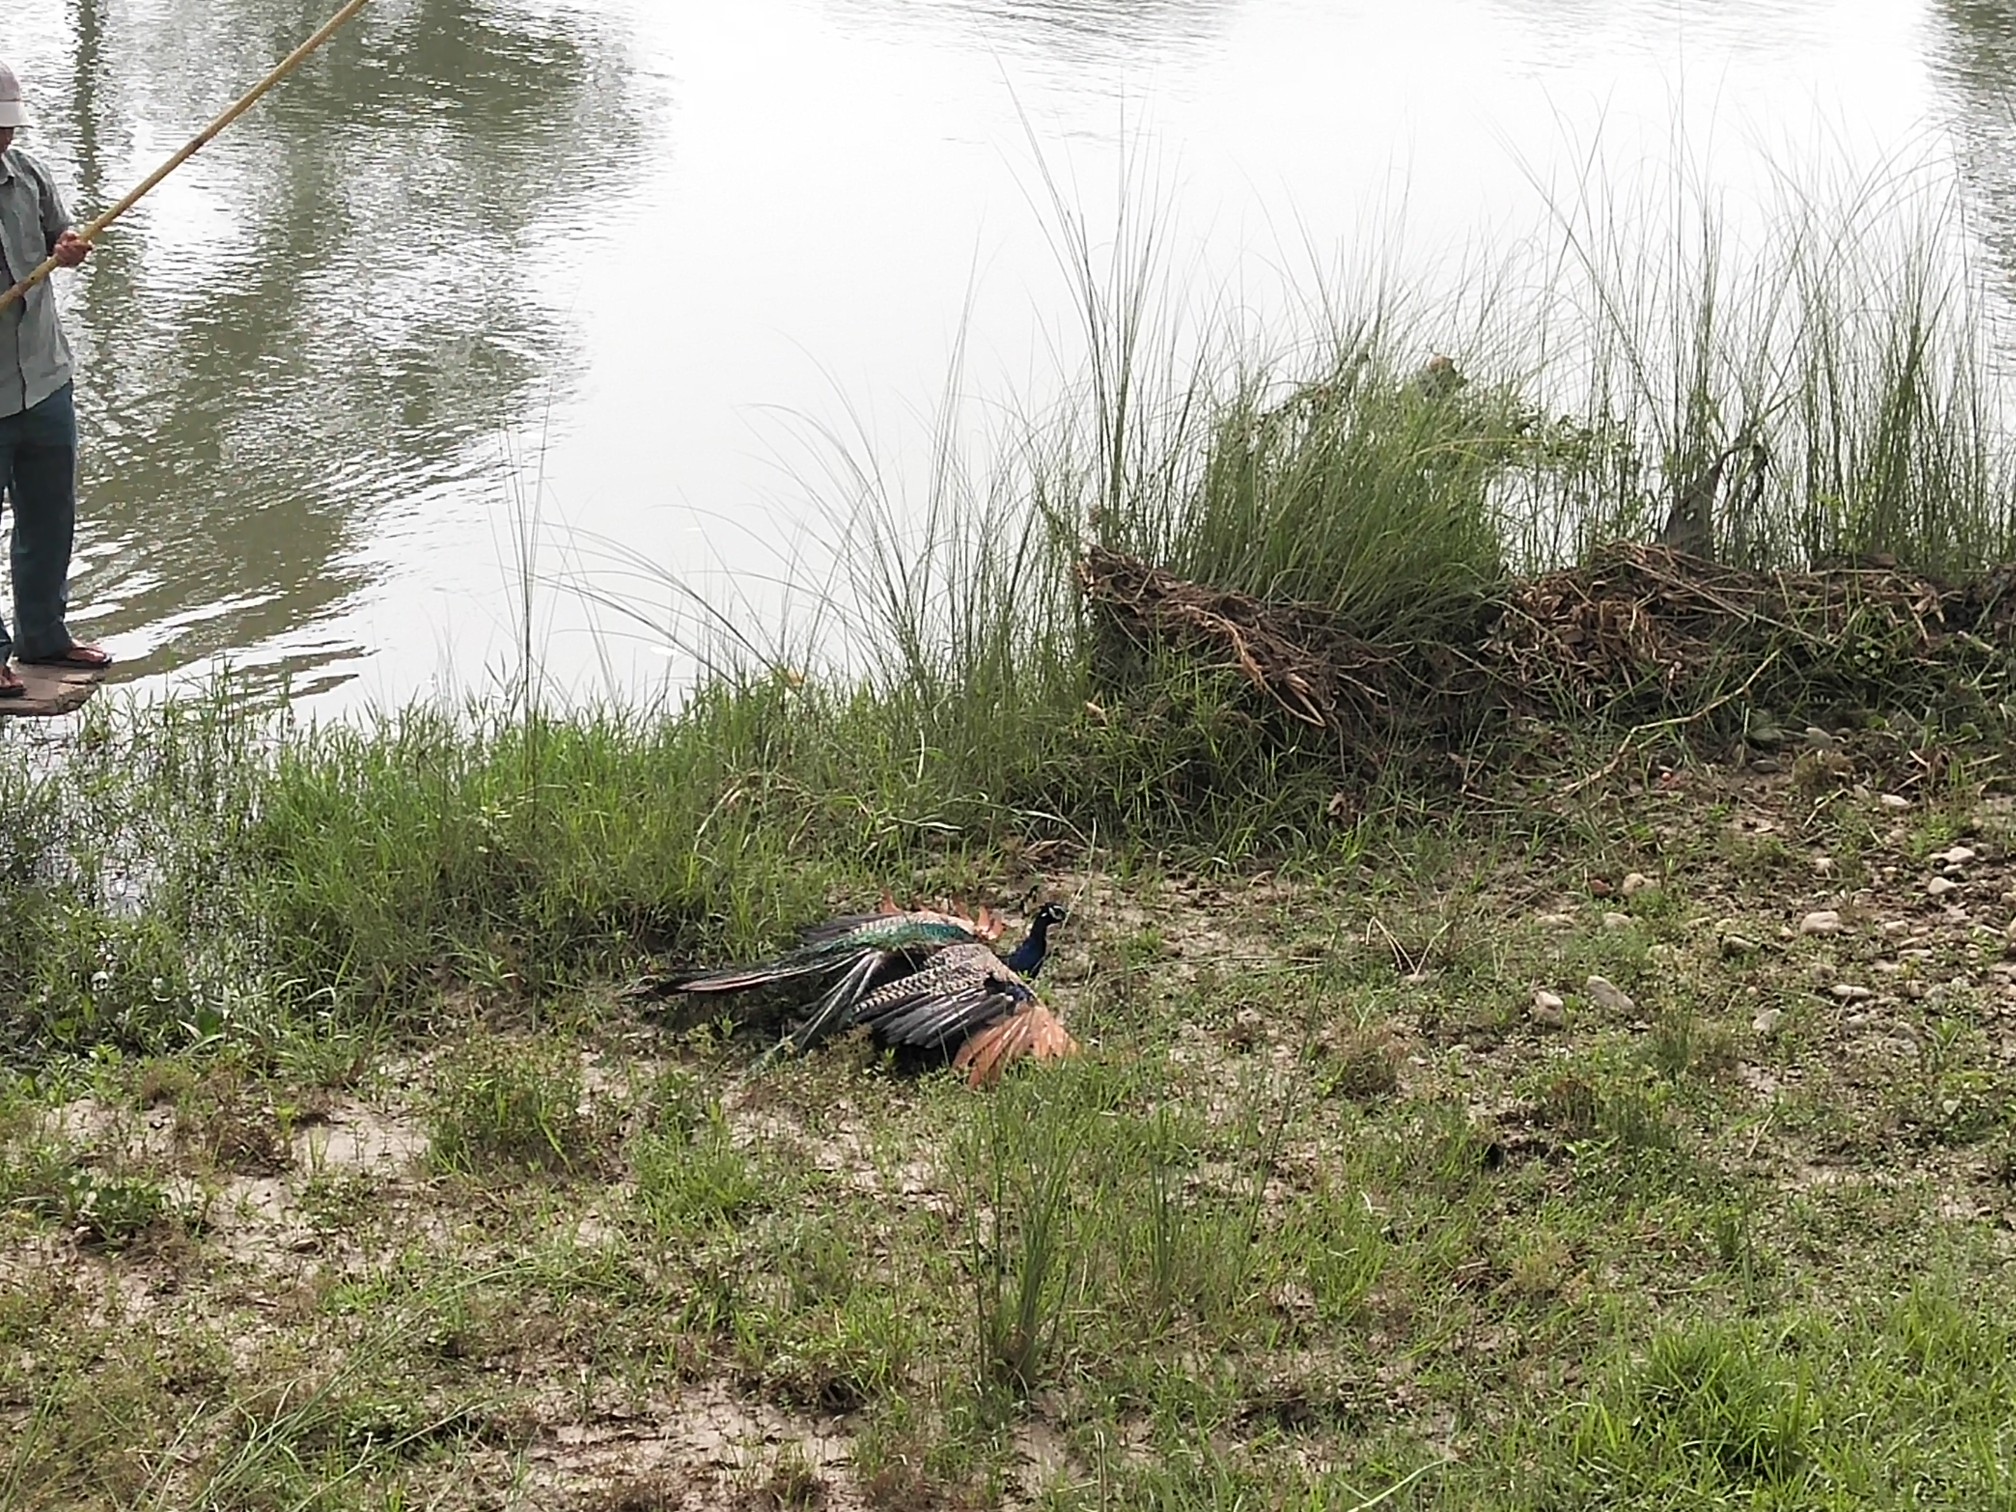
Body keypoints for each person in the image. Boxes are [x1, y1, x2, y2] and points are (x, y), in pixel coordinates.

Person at [0, 58, 109, 698]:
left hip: (44, 378)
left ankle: (44, 635)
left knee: (50, 514)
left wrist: (68, 249)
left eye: (8, 127)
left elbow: (57, 235)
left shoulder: (28, 173)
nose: (3, 139)